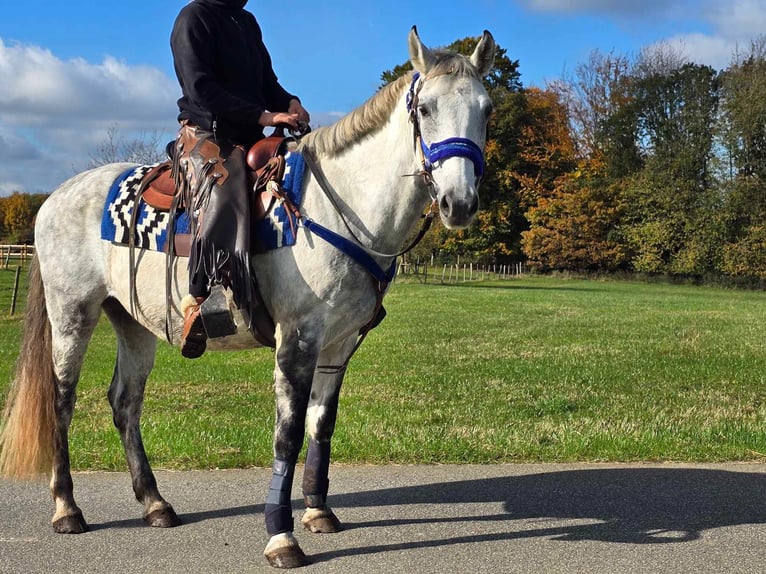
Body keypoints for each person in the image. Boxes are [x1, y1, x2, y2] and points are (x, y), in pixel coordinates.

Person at [170, 0, 310, 358]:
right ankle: (199, 301)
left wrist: (290, 101)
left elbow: (266, 82)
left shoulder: (246, 21)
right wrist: (264, 114)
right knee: (225, 186)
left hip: (249, 135)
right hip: (205, 134)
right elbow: (202, 89)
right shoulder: (194, 17)